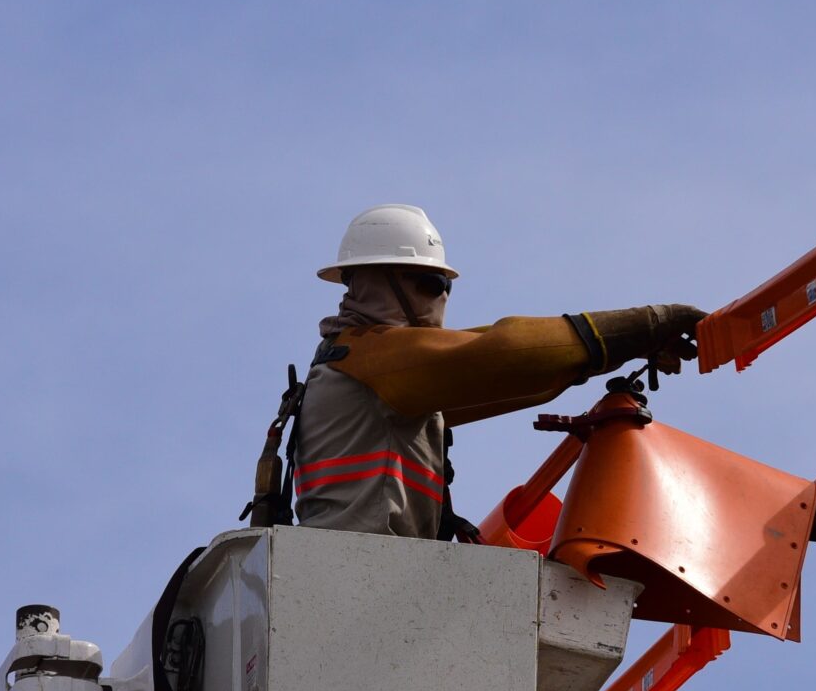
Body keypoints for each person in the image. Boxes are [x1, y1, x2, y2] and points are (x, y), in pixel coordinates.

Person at [255, 203, 705, 538]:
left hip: (369, 575)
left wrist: (613, 353)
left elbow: (512, 377)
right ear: (381, 281)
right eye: (433, 284)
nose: (443, 296)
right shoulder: (373, 359)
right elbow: (506, 352)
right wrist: (649, 325)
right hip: (357, 575)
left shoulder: (364, 364)